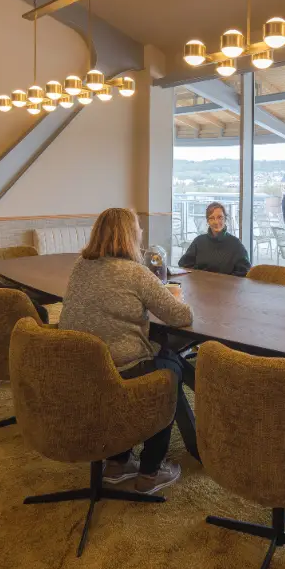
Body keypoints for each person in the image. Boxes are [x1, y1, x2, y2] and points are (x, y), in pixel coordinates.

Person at [59, 207, 193, 494]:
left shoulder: (81, 265)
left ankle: (118, 462)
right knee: (171, 369)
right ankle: (150, 472)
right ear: (130, 236)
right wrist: (175, 296)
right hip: (119, 368)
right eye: (138, 229)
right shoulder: (135, 273)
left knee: (161, 356)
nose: (142, 233)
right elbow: (181, 316)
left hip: (79, 368)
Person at [178, 202, 251, 277]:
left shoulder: (236, 244)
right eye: (212, 218)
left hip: (226, 287)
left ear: (225, 219)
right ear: (208, 221)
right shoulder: (199, 241)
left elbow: (244, 271)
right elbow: (184, 264)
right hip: (201, 285)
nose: (216, 222)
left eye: (220, 217)